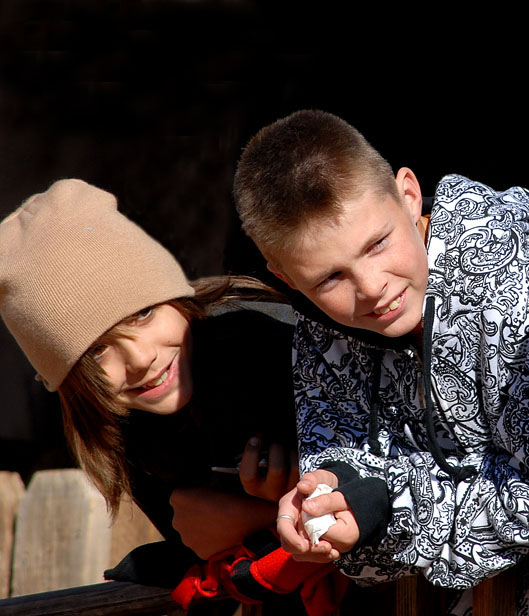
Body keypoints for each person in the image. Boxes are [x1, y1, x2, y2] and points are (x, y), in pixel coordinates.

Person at [232, 110, 529, 611]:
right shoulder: (320, 333)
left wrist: (385, 508)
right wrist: (334, 493)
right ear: (288, 279)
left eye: (377, 244)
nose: (371, 286)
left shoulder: (519, 289)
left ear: (409, 194)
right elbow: (348, 463)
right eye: (330, 278)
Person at [0, 179, 347, 614]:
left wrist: (253, 521)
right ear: (70, 380)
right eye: (98, 349)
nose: (141, 358)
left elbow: (404, 488)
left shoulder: (270, 346)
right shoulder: (129, 425)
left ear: (175, 298)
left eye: (144, 312)